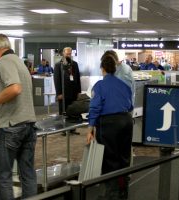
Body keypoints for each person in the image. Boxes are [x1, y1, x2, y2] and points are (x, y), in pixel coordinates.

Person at [0, 34, 37, 199]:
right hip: (28, 125)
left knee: (5, 176)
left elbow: (14, 89)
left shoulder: (4, 62)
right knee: (28, 173)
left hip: (11, 127)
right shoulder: (19, 61)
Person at [87, 55, 133, 200]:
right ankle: (123, 193)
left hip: (109, 124)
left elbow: (94, 108)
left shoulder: (99, 85)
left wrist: (90, 130)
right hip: (126, 121)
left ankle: (111, 195)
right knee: (124, 157)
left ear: (103, 69)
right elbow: (130, 105)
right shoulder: (124, 85)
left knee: (110, 159)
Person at [54, 47, 81, 115]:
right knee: (64, 112)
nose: (68, 55)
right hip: (63, 93)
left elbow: (77, 78)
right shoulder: (58, 65)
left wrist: (79, 91)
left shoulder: (75, 64)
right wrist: (59, 93)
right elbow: (57, 80)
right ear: (63, 53)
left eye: (70, 54)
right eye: (67, 54)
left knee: (74, 111)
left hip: (73, 93)